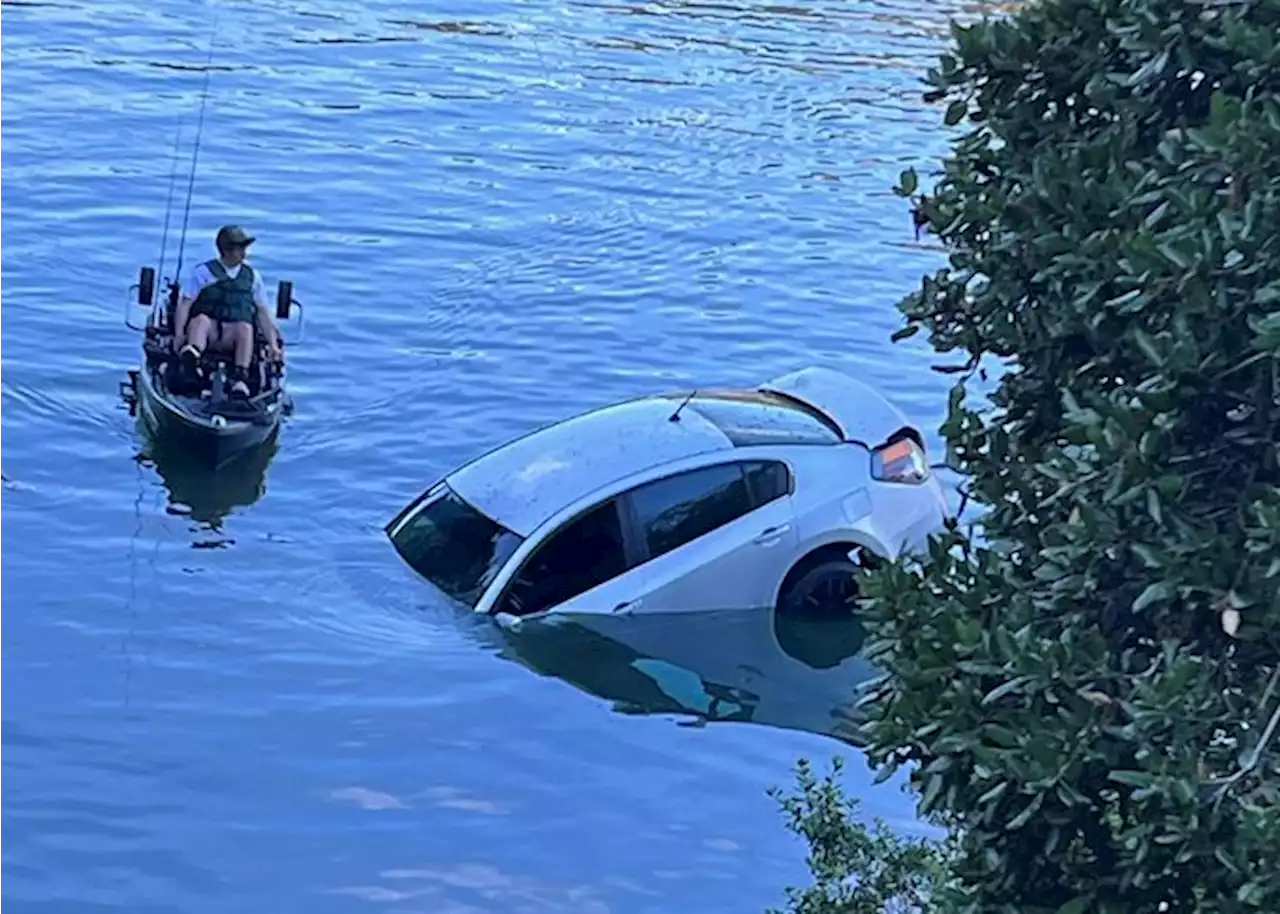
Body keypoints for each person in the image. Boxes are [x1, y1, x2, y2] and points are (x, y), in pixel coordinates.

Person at [172, 225, 284, 399]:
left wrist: (273, 345)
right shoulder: (203, 273)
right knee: (200, 321)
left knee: (245, 328)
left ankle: (240, 378)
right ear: (226, 250)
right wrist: (179, 334)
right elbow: (185, 304)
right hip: (209, 331)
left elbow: (262, 311)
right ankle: (192, 359)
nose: (243, 254)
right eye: (239, 249)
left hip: (232, 335)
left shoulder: (252, 277)